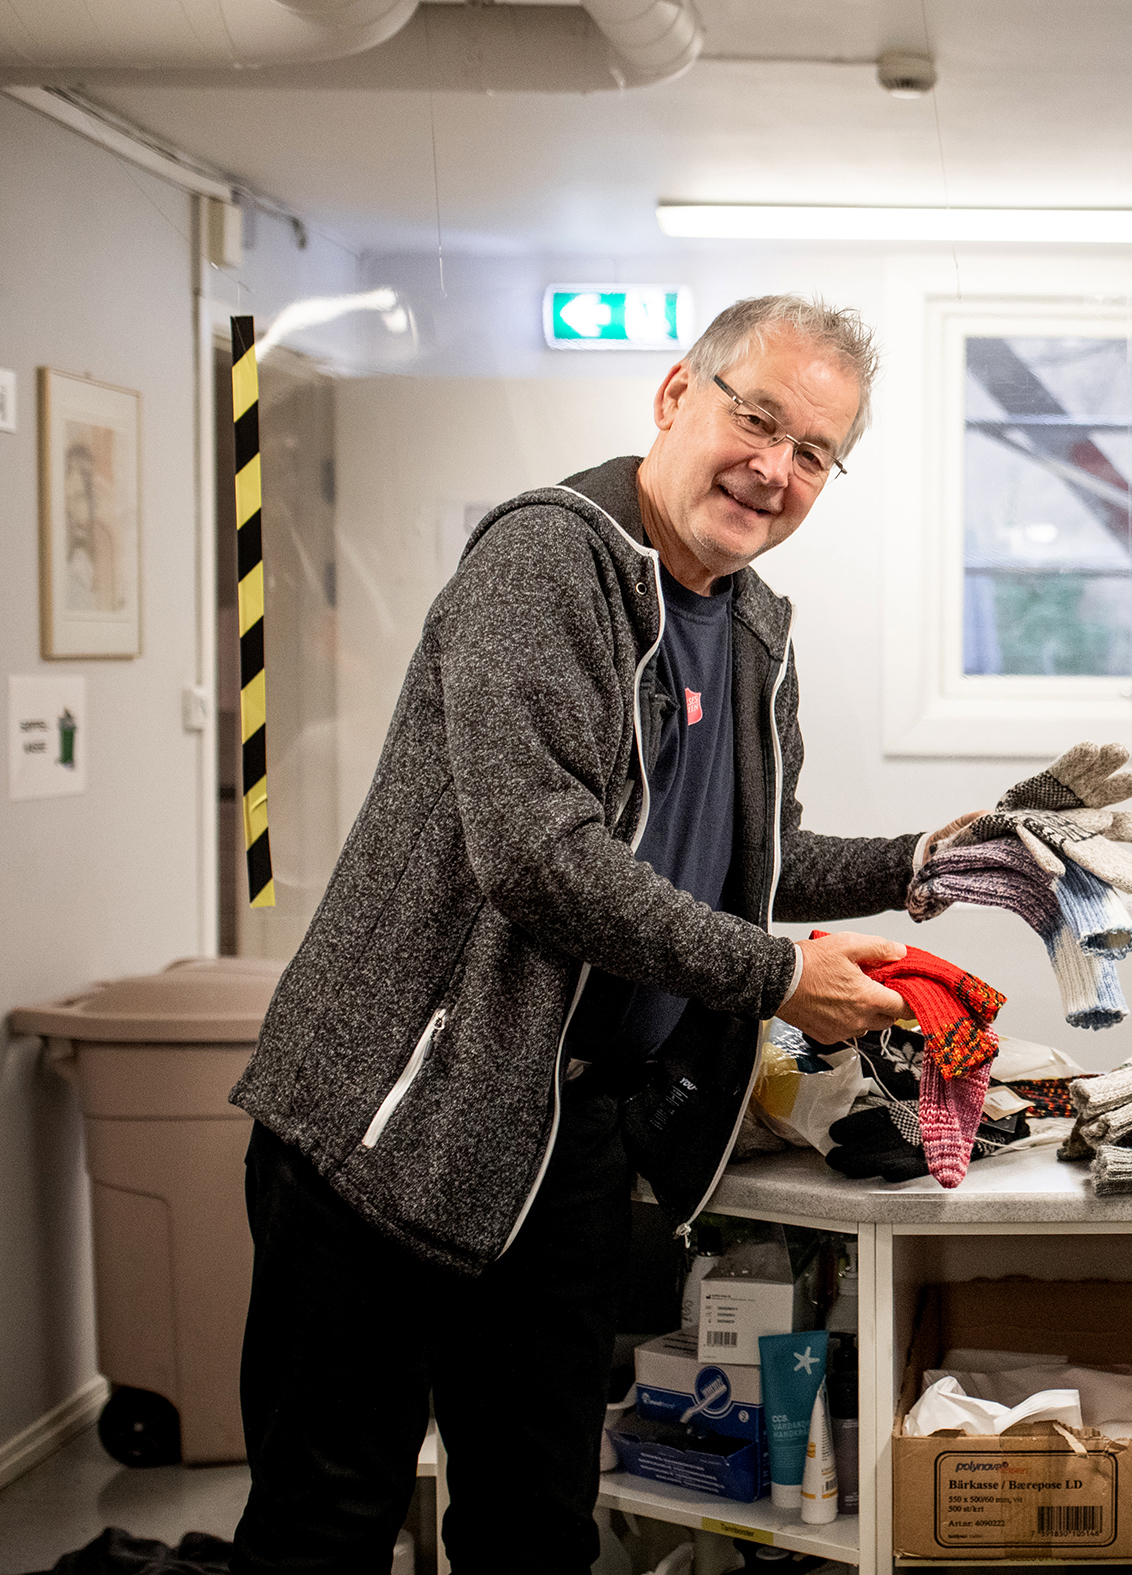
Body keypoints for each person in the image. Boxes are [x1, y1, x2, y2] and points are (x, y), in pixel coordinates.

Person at [228, 295, 977, 1573]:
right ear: (675, 397)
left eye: (814, 453)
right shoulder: (546, 560)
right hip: (393, 1113)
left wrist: (927, 862)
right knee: (325, 1522)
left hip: (564, 1136)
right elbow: (539, 855)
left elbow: (753, 860)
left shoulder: (751, 628)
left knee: (536, 1526)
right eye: (759, 418)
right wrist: (778, 977)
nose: (776, 469)